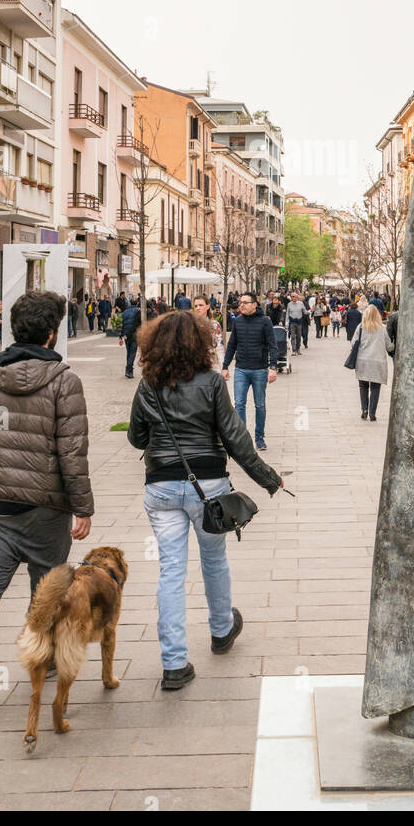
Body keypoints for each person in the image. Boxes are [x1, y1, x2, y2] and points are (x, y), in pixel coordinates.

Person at [0, 290, 94, 720]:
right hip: (46, 506)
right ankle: (42, 658)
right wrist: (82, 507)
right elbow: (72, 452)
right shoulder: (64, 380)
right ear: (51, 334)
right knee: (46, 584)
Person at [128, 311, 282, 690]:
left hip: (161, 487)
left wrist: (161, 439)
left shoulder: (148, 384)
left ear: (154, 345)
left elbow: (135, 437)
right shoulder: (212, 382)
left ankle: (174, 663)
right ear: (201, 343)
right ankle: (221, 629)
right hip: (209, 486)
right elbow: (235, 436)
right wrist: (267, 478)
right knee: (214, 558)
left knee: (170, 570)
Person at [222, 292, 277, 452]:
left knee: (260, 405)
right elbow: (232, 345)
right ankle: (243, 440)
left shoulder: (265, 322)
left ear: (254, 304)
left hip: (259, 370)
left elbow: (272, 345)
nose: (242, 305)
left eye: (245, 302)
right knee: (239, 404)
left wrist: (272, 367)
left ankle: (259, 438)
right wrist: (225, 366)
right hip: (241, 369)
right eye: (241, 302)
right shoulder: (237, 321)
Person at [352, 304, 394, 421]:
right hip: (377, 362)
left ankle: (364, 410)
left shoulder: (360, 327)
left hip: (362, 361)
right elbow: (389, 347)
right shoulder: (382, 328)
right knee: (375, 388)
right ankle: (372, 412)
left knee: (363, 386)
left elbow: (353, 343)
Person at [193, 294, 223, 369]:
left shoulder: (215, 325)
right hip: (193, 364)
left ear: (207, 306)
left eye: (201, 305)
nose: (198, 308)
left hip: (211, 364)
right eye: (196, 306)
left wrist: (223, 367)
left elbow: (219, 346)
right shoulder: (189, 324)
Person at [120, 297, 142, 378]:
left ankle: (129, 371)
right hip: (134, 334)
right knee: (132, 352)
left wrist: (121, 336)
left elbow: (122, 325)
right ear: (137, 303)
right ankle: (128, 370)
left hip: (126, 334)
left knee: (129, 352)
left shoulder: (125, 312)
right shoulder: (138, 311)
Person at [285, 291, 306, 356]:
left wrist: (310, 312)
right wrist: (286, 322)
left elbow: (304, 311)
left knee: (299, 336)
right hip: (292, 322)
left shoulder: (301, 303)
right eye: (291, 296)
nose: (292, 298)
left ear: (297, 297)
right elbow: (287, 314)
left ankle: (298, 349)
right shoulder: (289, 304)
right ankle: (294, 350)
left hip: (299, 322)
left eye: (293, 296)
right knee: (293, 336)